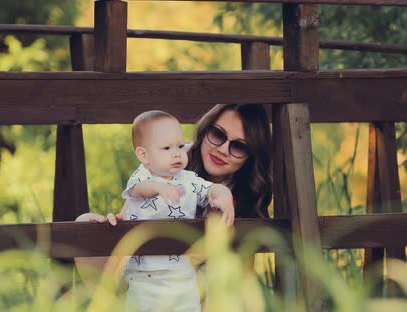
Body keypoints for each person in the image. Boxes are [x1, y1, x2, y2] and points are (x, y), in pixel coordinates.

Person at [75, 104, 273, 307]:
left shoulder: (246, 196)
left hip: (198, 289)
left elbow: (239, 282)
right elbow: (129, 218)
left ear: (250, 157)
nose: (222, 149)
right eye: (217, 134)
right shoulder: (169, 158)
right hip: (145, 275)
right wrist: (111, 223)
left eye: (239, 146)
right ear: (205, 130)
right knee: (84, 226)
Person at [114, 110, 236, 311]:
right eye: (167, 148)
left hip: (182, 273)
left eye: (180, 145)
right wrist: (157, 187)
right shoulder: (142, 177)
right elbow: (137, 191)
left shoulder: (187, 179)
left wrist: (222, 194)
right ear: (143, 155)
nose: (177, 153)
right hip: (145, 275)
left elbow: (209, 189)